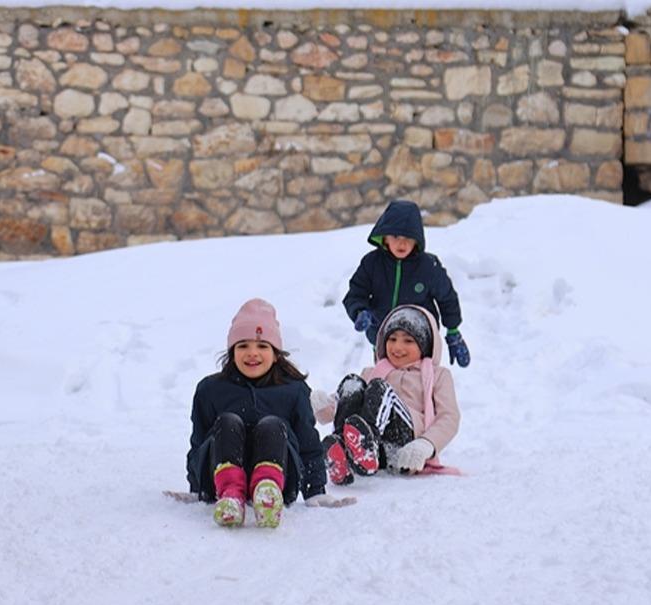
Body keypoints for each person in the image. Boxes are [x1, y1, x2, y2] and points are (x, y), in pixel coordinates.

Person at [186, 298, 353, 528]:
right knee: (227, 421)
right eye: (243, 345)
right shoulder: (211, 390)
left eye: (262, 346)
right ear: (232, 351)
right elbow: (199, 442)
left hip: (281, 480)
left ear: (275, 354)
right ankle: (231, 493)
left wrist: (315, 490)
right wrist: (197, 487)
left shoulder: (293, 390)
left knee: (272, 424)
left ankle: (267, 490)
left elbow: (307, 442)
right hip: (219, 481)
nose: (252, 353)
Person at [311, 304, 461, 485]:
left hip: (406, 447)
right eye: (392, 339)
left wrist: (425, 444)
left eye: (408, 341)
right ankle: (343, 450)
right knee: (352, 383)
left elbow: (449, 417)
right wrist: (322, 406)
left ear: (425, 344)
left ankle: (366, 445)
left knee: (379, 388)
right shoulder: (371, 371)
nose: (397, 347)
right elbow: (339, 405)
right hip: (377, 454)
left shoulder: (438, 375)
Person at [342, 199, 471, 368]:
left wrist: (453, 331)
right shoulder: (372, 263)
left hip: (419, 344)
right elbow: (356, 294)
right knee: (388, 385)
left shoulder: (428, 266)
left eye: (408, 238)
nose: (401, 243)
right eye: (395, 236)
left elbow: (446, 297)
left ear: (417, 239)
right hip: (384, 342)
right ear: (385, 237)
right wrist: (360, 311)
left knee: (417, 387)